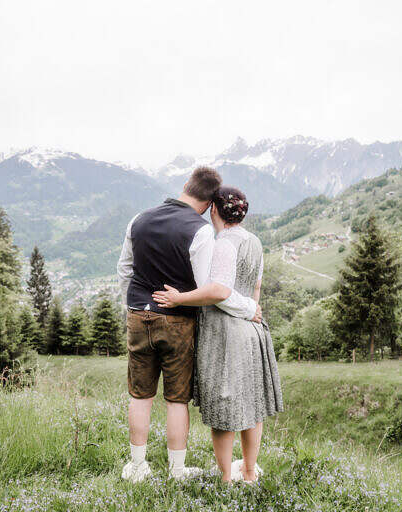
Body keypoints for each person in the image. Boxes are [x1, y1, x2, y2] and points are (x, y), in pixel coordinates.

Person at [116, 168, 262, 482]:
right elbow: (208, 288)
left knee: (140, 395)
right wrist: (250, 307)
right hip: (178, 322)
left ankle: (138, 467)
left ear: (186, 186)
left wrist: (137, 304)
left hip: (138, 313)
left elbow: (125, 270)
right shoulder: (201, 231)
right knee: (176, 398)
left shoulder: (138, 219)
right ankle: (177, 471)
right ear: (211, 204)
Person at [152, 186, 283, 483]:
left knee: (224, 409)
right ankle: (249, 472)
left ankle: (226, 478)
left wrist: (179, 299)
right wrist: (250, 310)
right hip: (253, 330)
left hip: (226, 333)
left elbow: (219, 292)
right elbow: (256, 288)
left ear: (214, 210)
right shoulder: (255, 241)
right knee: (251, 406)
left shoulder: (223, 243)